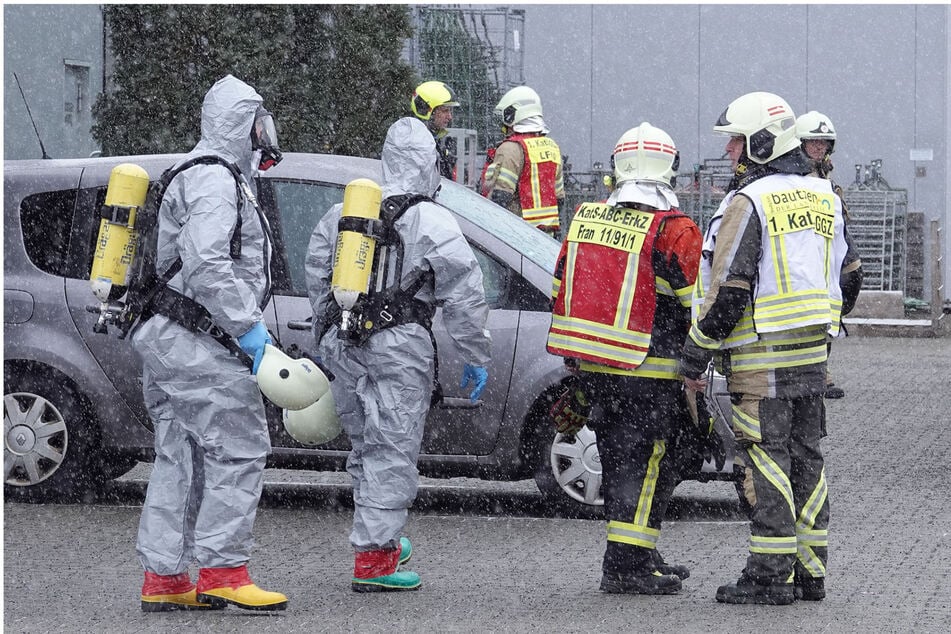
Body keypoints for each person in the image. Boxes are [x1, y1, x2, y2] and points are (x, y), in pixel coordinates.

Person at [680, 92, 863, 605]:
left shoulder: (749, 203)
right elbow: (852, 280)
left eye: (737, 141)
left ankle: (769, 575)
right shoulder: (827, 196)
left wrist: (696, 352)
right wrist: (816, 325)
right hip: (812, 358)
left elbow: (730, 291)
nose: (732, 151)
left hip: (762, 366)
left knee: (767, 460)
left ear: (761, 143)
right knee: (808, 458)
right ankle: (810, 572)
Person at [305, 116, 492, 592]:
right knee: (392, 449)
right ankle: (375, 561)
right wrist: (475, 355)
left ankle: (380, 534)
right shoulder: (432, 219)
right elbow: (465, 295)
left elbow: (315, 271)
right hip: (398, 347)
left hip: (344, 344)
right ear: (430, 163)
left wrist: (328, 331)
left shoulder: (342, 214)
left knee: (367, 446)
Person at [133, 75, 287, 612]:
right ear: (242, 124)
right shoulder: (216, 181)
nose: (265, 134)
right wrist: (249, 330)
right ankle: (223, 569)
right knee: (239, 446)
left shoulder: (190, 173)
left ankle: (166, 577)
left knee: (179, 453)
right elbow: (208, 263)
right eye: (258, 122)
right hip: (199, 342)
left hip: (168, 337)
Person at [546, 123, 702, 595]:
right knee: (651, 462)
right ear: (670, 169)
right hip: (651, 373)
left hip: (597, 371)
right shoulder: (675, 231)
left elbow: (561, 289)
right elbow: (698, 304)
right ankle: (625, 567)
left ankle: (641, 553)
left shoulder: (587, 221)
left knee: (621, 461)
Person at [795, 110, 863, 400]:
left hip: (832, 241)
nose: (819, 147)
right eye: (813, 142)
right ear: (800, 144)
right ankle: (816, 372)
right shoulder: (791, 175)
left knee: (847, 285)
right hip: (806, 247)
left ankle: (821, 365)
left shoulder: (827, 175)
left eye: (824, 142)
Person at [481, 85, 565, 237]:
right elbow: (560, 199)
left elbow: (501, 198)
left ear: (511, 115)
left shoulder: (510, 149)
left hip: (517, 236)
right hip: (546, 238)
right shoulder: (552, 148)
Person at [411, 80, 460, 181]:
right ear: (427, 110)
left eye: (450, 111)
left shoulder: (441, 142)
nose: (450, 117)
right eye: (445, 110)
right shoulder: (413, 142)